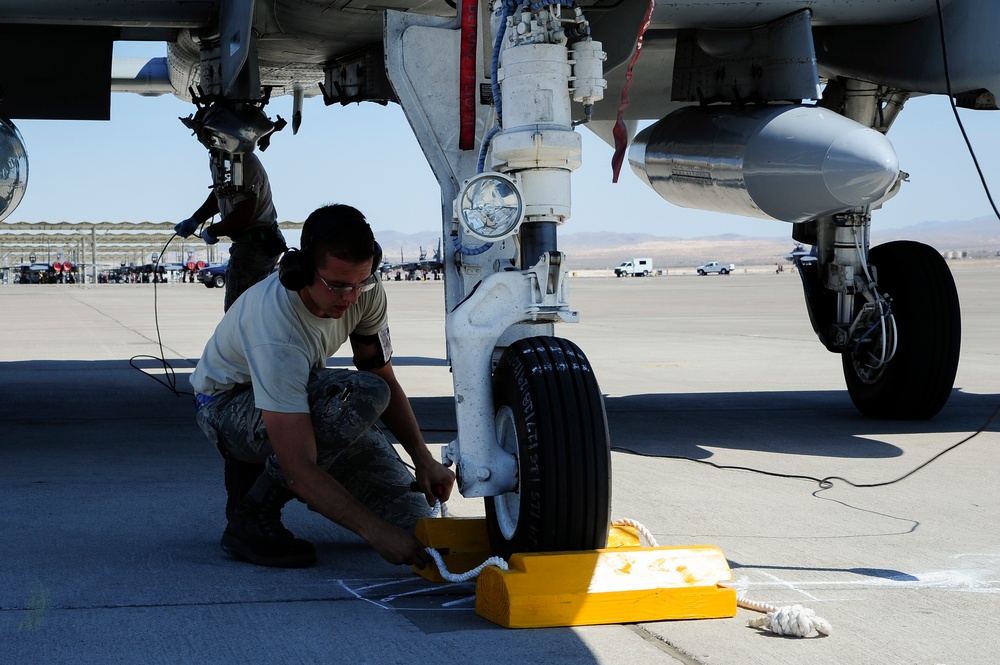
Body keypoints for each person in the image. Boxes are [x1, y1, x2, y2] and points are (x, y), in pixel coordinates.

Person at [189, 203, 455, 569]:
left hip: (296, 395)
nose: (351, 298)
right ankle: (250, 514)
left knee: (412, 520)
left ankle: (261, 483)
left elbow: (382, 373)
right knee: (362, 396)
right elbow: (298, 467)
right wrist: (374, 533)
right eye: (338, 286)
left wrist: (424, 460)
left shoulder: (366, 291)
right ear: (299, 272)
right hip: (227, 406)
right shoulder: (276, 329)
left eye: (360, 283)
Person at [174, 149, 287, 312]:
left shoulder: (243, 162)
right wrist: (195, 219)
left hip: (255, 246)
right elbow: (220, 193)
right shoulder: (221, 159)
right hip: (250, 244)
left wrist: (212, 231)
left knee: (239, 313)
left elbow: (242, 216)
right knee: (246, 312)